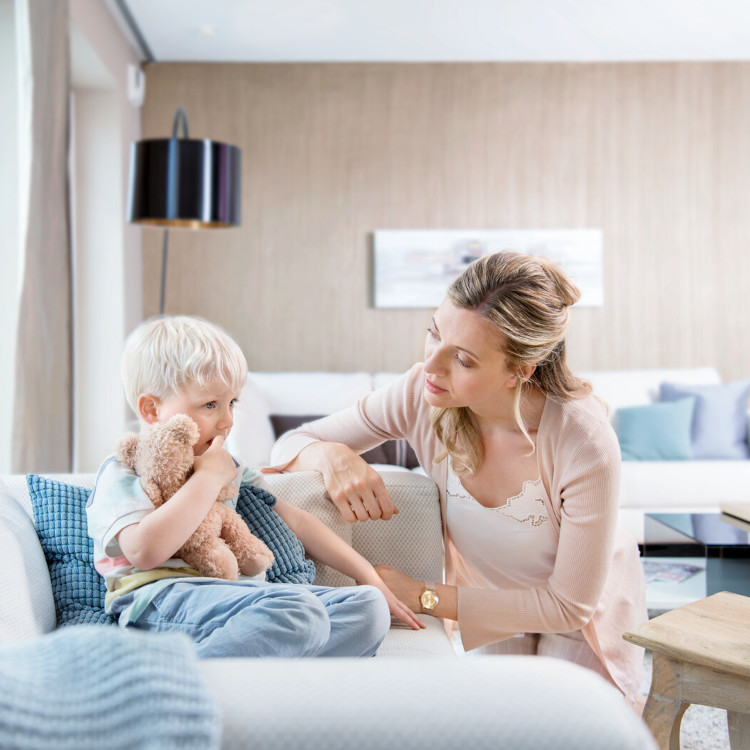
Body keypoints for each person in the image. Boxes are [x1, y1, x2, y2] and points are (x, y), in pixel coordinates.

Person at [268, 251, 647, 708]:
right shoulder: (420, 392)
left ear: (519, 371)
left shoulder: (584, 441)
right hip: (486, 599)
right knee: (497, 724)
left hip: (582, 613)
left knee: (565, 721)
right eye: (433, 333)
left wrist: (423, 596)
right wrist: (330, 456)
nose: (431, 365)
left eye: (463, 360)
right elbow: (288, 445)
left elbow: (569, 606)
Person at [87, 315, 423, 659]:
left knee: (368, 609)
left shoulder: (230, 468)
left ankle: (264, 662)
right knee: (299, 612)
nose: (227, 420)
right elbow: (143, 551)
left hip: (234, 597)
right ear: (151, 409)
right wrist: (207, 478)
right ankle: (181, 675)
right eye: (209, 405)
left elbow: (297, 521)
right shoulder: (123, 471)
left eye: (231, 403)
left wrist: (368, 575)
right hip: (159, 600)